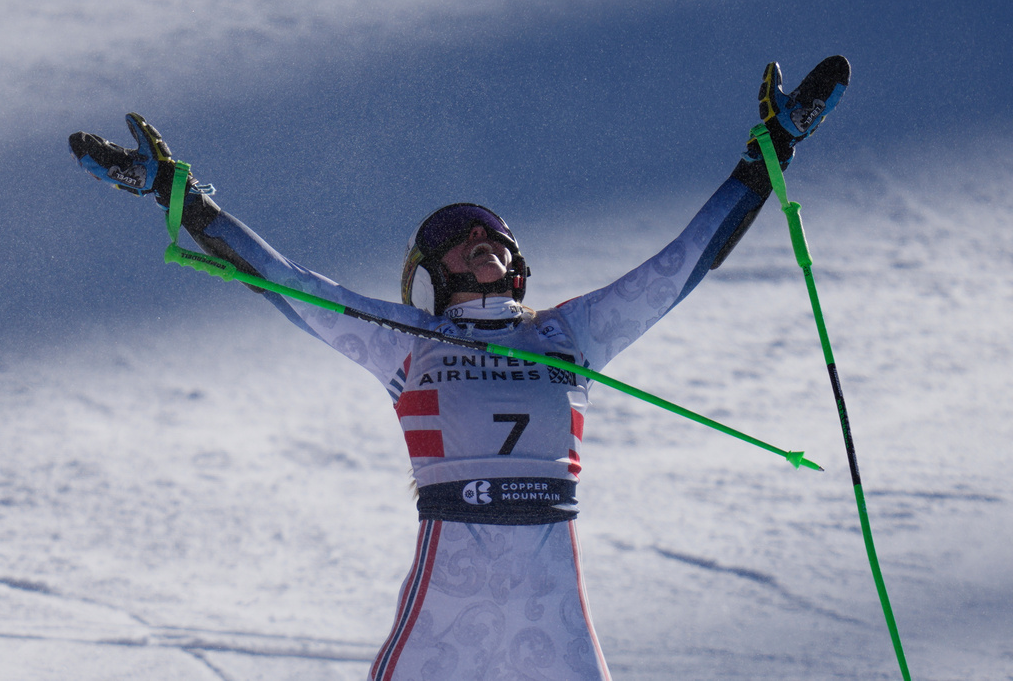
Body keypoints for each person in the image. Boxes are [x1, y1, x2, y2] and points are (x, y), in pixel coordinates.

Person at [69, 56, 849, 681]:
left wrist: (769, 154)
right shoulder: (402, 340)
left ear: (516, 264)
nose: (478, 236)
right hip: (450, 595)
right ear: (431, 273)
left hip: (552, 604)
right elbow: (289, 284)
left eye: (493, 233)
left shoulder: (569, 333)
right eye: (453, 234)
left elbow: (683, 262)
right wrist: (179, 199)